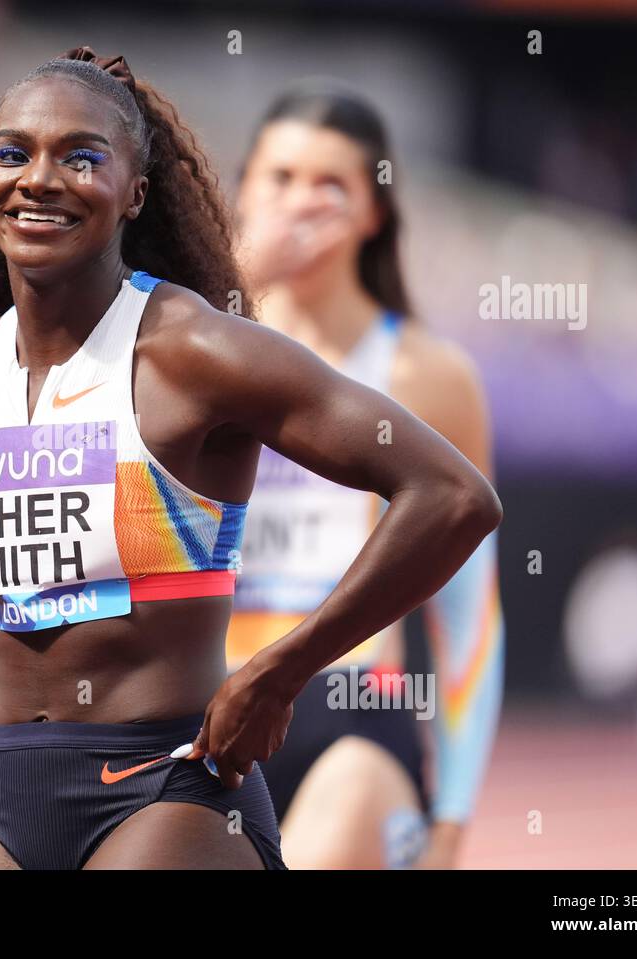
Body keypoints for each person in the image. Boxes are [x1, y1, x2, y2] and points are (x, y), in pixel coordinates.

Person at [0, 49, 502, 870]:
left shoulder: (195, 353)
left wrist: (285, 667)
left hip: (164, 786)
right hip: (6, 798)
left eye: (81, 156)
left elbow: (453, 494)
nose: (39, 177)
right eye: (13, 152)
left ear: (135, 192)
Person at [228, 84, 506, 869]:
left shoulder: (427, 375)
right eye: (280, 178)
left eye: (332, 185)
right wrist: (244, 275)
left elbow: (470, 616)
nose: (301, 204)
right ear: (243, 190)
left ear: (373, 213)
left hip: (345, 711)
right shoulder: (190, 349)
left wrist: (449, 821)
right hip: (195, 711)